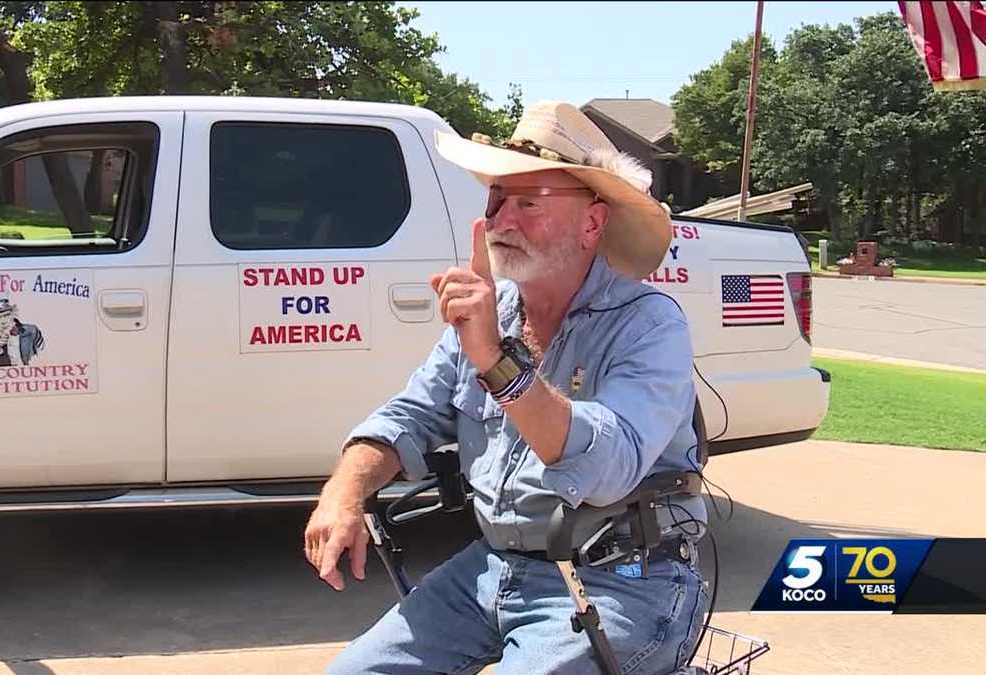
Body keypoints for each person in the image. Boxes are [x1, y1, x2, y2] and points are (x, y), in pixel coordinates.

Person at [304, 101, 709, 675]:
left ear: (593, 223)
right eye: (495, 200)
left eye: (528, 203)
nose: (501, 219)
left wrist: (496, 359)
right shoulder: (496, 314)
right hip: (493, 567)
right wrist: (342, 493)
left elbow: (609, 465)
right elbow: (409, 417)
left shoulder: (648, 324)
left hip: (623, 580)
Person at [0, 298, 45, 367]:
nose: (3, 321)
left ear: (12, 315)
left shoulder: (31, 331)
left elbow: (43, 356)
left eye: (6, 315)